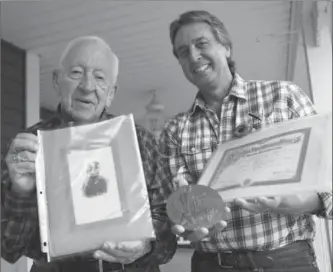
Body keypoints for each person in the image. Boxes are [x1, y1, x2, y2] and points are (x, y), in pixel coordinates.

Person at [159, 10, 332, 272]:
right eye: (183, 52)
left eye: (201, 44)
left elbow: (329, 181)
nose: (193, 56)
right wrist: (190, 227)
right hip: (212, 265)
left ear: (226, 47)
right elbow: (180, 209)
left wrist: (303, 201)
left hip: (287, 261)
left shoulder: (283, 97)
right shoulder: (174, 129)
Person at [1, 36, 177, 272]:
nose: (87, 86)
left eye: (100, 77)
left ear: (111, 92)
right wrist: (20, 192)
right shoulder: (29, 147)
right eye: (76, 72)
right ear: (56, 80)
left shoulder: (140, 140)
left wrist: (146, 245)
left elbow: (168, 236)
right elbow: (9, 249)